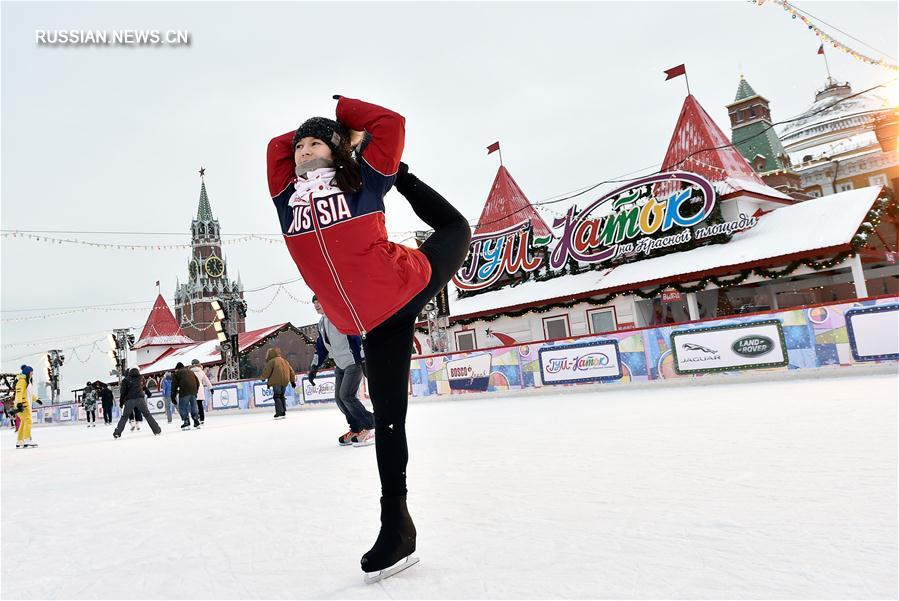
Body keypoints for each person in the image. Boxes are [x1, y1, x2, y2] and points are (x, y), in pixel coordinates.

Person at [267, 97, 470, 575]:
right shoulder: (287, 201)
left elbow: (389, 121)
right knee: (390, 420)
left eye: (314, 143)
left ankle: (404, 174)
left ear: (336, 149)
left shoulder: (360, 184)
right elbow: (274, 147)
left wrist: (344, 127)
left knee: (456, 227)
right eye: (300, 147)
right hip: (374, 326)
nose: (301, 151)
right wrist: (322, 138)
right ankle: (397, 527)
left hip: (407, 283)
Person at [309, 295, 373, 445]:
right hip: (340, 364)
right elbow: (321, 347)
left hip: (353, 362)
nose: (316, 306)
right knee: (340, 398)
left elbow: (356, 339)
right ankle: (356, 428)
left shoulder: (340, 317)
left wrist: (363, 361)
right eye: (314, 304)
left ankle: (370, 425)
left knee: (347, 395)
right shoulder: (322, 323)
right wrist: (314, 366)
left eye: (319, 302)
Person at [113, 368, 161, 439]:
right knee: (147, 415)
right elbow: (144, 387)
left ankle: (117, 433)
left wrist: (121, 402)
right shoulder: (141, 378)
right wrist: (148, 393)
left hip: (129, 400)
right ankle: (156, 430)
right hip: (140, 399)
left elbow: (123, 392)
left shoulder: (126, 380)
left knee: (124, 417)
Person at [260, 347, 296, 419]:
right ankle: (283, 412)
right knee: (281, 395)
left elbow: (267, 371)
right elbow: (291, 371)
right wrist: (292, 381)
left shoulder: (272, 361)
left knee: (277, 396)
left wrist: (263, 378)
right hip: (285, 381)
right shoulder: (285, 361)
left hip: (276, 381)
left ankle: (279, 412)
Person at [12, 365, 42, 448]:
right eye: (31, 372)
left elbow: (29, 393)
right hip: (23, 405)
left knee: (24, 422)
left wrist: (36, 399)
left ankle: (20, 441)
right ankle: (27, 439)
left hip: (24, 404)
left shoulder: (26, 381)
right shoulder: (22, 381)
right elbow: (19, 392)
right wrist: (19, 403)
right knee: (28, 421)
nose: (32, 373)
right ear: (28, 372)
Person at [170, 361, 200, 431]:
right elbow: (197, 382)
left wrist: (173, 397)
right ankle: (196, 420)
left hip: (184, 391)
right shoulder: (191, 372)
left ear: (177, 368)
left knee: (183, 407)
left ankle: (186, 421)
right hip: (193, 390)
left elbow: (174, 387)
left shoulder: (176, 373)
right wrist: (196, 391)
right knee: (193, 405)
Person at [190, 360, 212, 425]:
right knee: (200, 405)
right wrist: (211, 388)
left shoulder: (190, 372)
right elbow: (206, 380)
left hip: (193, 389)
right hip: (200, 389)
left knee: (194, 405)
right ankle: (202, 419)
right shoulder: (201, 371)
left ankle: (196, 417)